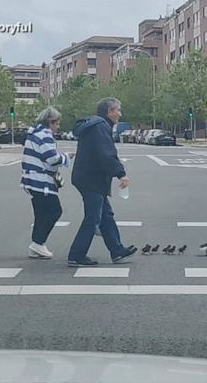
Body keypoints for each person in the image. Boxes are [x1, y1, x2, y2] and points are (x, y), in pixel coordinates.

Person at [68, 97, 137, 267]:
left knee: (105, 215)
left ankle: (117, 250)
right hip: (91, 179)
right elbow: (106, 153)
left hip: (88, 177)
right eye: (118, 110)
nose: (120, 114)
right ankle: (76, 255)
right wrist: (121, 173)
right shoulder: (100, 127)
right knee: (93, 217)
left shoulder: (97, 125)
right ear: (110, 112)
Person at [21, 106, 74, 259]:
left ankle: (37, 245)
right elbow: (51, 158)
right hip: (41, 180)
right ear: (50, 122)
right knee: (54, 210)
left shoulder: (33, 134)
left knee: (41, 213)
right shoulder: (45, 135)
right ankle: (38, 243)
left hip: (30, 179)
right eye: (57, 123)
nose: (58, 127)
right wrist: (65, 158)